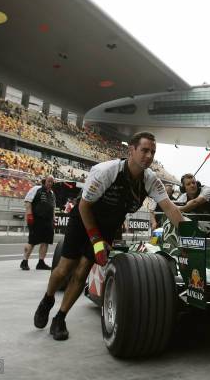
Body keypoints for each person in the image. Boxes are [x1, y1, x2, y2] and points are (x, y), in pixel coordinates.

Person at [33, 132, 184, 341]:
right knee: (66, 268)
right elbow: (85, 206)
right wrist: (95, 239)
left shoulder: (151, 179)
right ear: (131, 151)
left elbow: (170, 207)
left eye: (153, 152)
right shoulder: (107, 171)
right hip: (84, 217)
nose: (149, 156)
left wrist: (190, 234)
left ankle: (60, 317)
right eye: (145, 150)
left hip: (108, 226)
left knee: (84, 270)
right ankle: (48, 300)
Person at [22, 175, 56, 271]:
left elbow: (53, 207)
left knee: (46, 241)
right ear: (44, 181)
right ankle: (24, 261)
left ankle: (41, 262)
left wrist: (53, 219)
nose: (50, 183)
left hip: (48, 221)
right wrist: (29, 215)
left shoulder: (52, 193)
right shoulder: (36, 189)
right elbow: (28, 202)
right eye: (49, 181)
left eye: (52, 182)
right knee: (32, 241)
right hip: (36, 220)